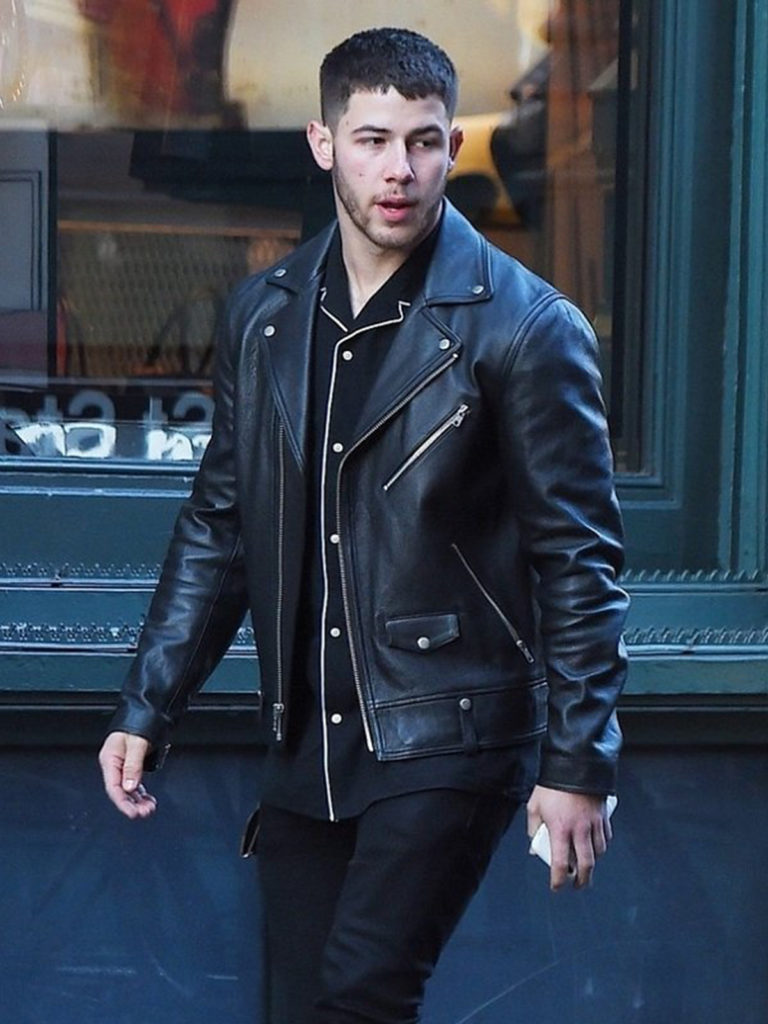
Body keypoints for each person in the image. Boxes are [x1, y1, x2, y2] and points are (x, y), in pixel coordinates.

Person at [99, 26, 629, 1024]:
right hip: (307, 732)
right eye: (374, 140)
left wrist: (578, 763)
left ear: (452, 148)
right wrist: (149, 702)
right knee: (302, 1003)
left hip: (449, 727)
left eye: (424, 142)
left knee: (361, 992)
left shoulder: (524, 327)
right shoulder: (264, 316)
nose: (401, 170)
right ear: (323, 144)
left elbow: (580, 560)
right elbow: (222, 522)